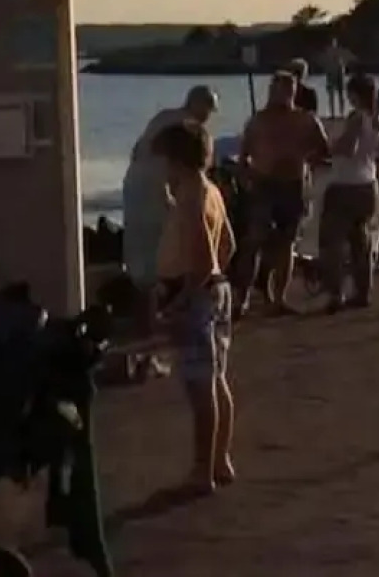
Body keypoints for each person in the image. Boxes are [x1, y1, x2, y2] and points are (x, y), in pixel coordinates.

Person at [151, 121, 236, 494]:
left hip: (196, 296)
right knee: (216, 380)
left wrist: (182, 297)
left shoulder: (190, 197)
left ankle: (202, 471)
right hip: (217, 290)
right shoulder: (211, 190)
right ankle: (220, 460)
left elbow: (201, 257)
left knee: (200, 387)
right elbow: (228, 245)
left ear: (176, 160)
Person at [233, 71, 330, 317]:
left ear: (294, 91)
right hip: (263, 183)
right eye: (277, 88)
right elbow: (243, 155)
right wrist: (246, 178)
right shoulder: (258, 120)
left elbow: (324, 150)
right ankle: (241, 298)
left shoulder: (306, 119)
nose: (282, 93)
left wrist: (305, 160)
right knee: (253, 241)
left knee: (286, 243)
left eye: (288, 89)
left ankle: (278, 299)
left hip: (293, 183)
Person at [121, 86, 218, 327]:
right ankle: (156, 318)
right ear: (197, 104)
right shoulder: (186, 130)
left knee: (141, 252)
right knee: (162, 255)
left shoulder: (163, 117)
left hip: (134, 186)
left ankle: (145, 315)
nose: (208, 116)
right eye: (208, 109)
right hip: (156, 191)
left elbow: (136, 151)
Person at [319, 74, 379, 313]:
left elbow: (348, 148)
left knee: (333, 243)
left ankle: (335, 294)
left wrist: (328, 147)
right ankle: (363, 292)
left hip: (344, 185)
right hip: (368, 185)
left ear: (355, 94)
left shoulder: (357, 117)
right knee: (361, 242)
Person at [321, 38, 351, 118]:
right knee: (332, 95)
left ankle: (340, 113)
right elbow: (327, 65)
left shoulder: (337, 52)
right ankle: (333, 113)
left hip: (337, 74)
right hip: (332, 74)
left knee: (340, 95)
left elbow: (341, 64)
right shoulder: (329, 52)